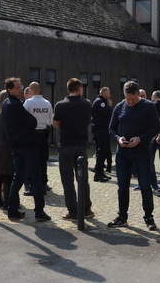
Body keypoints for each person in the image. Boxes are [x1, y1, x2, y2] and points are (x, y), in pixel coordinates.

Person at [107, 81, 160, 231]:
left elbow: (156, 127)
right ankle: (122, 216)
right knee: (122, 185)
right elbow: (111, 128)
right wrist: (118, 138)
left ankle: (149, 217)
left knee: (145, 185)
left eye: (133, 99)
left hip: (142, 150)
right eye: (127, 99)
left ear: (139, 94)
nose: (130, 102)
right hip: (122, 151)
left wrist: (140, 138)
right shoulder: (119, 106)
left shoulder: (149, 106)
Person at [2, 77, 51, 222]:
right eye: (17, 87)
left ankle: (12, 210)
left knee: (18, 177)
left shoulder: (6, 103)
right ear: (9, 89)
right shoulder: (15, 105)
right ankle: (39, 211)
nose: (20, 89)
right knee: (36, 177)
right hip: (27, 144)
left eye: (21, 87)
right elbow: (32, 121)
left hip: (15, 144)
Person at [52, 78, 94, 220]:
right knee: (83, 178)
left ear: (68, 89)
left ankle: (73, 211)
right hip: (82, 145)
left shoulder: (60, 105)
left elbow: (55, 123)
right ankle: (87, 208)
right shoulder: (87, 104)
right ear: (80, 89)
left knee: (67, 180)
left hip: (66, 145)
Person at [23, 82, 53, 194]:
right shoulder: (47, 103)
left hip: (31, 133)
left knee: (31, 159)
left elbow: (23, 118)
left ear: (30, 89)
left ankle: (31, 185)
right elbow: (50, 121)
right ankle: (43, 182)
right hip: (43, 134)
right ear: (39, 90)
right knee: (43, 159)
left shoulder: (28, 103)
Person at [91, 86, 113, 182]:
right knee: (101, 151)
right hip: (100, 130)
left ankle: (101, 172)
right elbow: (106, 113)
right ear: (104, 94)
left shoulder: (102, 101)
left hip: (103, 130)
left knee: (104, 151)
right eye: (108, 93)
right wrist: (109, 106)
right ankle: (97, 174)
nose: (110, 95)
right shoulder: (100, 102)